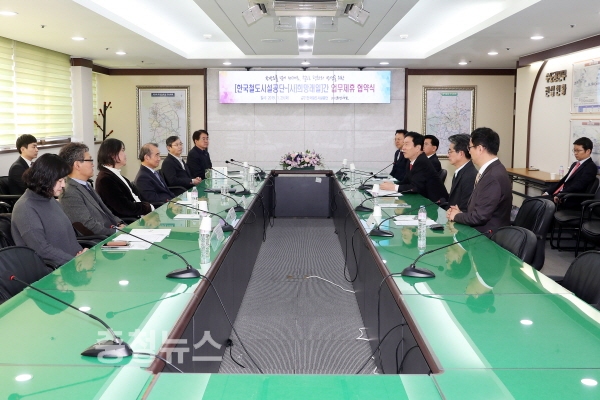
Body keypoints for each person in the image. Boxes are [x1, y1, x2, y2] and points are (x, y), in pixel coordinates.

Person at [11, 153, 86, 266]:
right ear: (45, 179)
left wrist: (82, 254)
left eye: (64, 180)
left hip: (72, 262)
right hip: (53, 269)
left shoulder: (49, 199)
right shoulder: (25, 208)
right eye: (60, 181)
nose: (63, 185)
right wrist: (76, 261)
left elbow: (68, 240)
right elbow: (42, 250)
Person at [447, 127, 512, 235]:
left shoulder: (492, 177)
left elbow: (479, 217)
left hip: (488, 235)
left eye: (470, 147)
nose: (469, 151)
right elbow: (480, 209)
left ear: (480, 149)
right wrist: (461, 213)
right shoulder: (494, 169)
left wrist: (456, 216)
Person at [58, 142, 125, 236]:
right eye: (89, 160)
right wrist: (116, 231)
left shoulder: (85, 184)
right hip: (101, 240)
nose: (93, 165)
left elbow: (106, 213)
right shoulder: (69, 193)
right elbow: (87, 226)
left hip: (112, 232)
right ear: (77, 165)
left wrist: (120, 223)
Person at [380, 131, 448, 204]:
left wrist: (394, 187)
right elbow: (406, 181)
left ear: (418, 148)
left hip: (434, 204)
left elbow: (416, 187)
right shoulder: (411, 161)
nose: (403, 148)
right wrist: (392, 184)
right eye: (403, 144)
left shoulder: (422, 162)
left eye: (406, 144)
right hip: (421, 200)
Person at [95, 138, 152, 219]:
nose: (125, 155)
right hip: (129, 221)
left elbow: (136, 197)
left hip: (141, 215)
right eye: (122, 150)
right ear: (112, 154)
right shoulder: (105, 180)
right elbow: (124, 208)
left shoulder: (115, 175)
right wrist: (148, 207)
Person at [541, 137, 598, 208]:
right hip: (559, 195)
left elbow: (579, 185)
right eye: (574, 150)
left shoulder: (590, 167)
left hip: (568, 199)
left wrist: (561, 194)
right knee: (532, 202)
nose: (575, 153)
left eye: (578, 151)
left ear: (588, 151)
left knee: (535, 204)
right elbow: (563, 181)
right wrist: (548, 192)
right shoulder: (575, 164)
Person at [447, 134, 477, 212]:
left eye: (450, 151)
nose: (448, 155)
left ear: (461, 154)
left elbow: (466, 208)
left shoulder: (470, 176)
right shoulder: (460, 171)